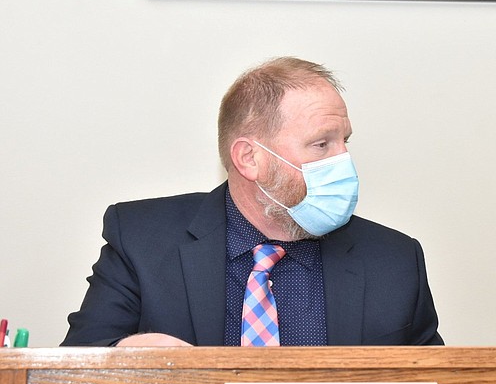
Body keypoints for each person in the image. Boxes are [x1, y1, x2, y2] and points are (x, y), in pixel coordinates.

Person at [63, 57, 443, 347]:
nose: (343, 161)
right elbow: (71, 377)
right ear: (249, 158)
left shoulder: (394, 260)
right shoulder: (141, 240)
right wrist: (124, 357)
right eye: (321, 144)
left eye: (345, 142)